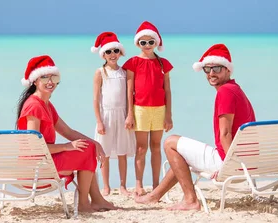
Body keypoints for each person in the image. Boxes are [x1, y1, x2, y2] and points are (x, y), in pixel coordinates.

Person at [134, 43, 256, 211]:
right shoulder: (236, 90)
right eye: (207, 69)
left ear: (228, 70)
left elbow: (225, 134)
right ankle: (154, 196)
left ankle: (190, 200)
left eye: (217, 68)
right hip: (246, 162)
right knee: (182, 152)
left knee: (170, 142)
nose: (211, 73)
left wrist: (230, 167)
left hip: (231, 164)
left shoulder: (225, 92)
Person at [16, 55, 118, 212]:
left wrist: (95, 143)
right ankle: (86, 203)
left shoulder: (46, 105)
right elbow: (34, 146)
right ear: (35, 81)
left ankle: (96, 200)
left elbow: (68, 131)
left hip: (45, 161)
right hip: (36, 167)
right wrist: (66, 147)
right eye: (44, 77)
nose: (50, 82)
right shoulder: (34, 106)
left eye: (53, 77)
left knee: (88, 147)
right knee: (86, 150)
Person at [122, 21, 174, 196]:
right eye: (143, 42)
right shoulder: (133, 62)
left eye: (150, 42)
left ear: (156, 43)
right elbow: (129, 91)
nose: (147, 46)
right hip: (140, 109)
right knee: (141, 148)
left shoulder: (163, 63)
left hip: (159, 109)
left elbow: (167, 90)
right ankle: (138, 184)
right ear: (138, 43)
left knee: (156, 146)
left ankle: (156, 183)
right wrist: (130, 114)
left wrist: (169, 115)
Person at [90, 32, 136, 196]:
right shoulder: (100, 72)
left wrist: (130, 115)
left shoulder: (125, 72)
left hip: (122, 115)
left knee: (122, 151)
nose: (112, 55)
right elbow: (96, 99)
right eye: (109, 52)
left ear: (120, 52)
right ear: (103, 54)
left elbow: (129, 96)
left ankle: (123, 186)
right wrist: (99, 121)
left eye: (115, 51)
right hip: (106, 116)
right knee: (105, 152)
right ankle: (106, 186)